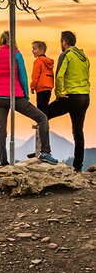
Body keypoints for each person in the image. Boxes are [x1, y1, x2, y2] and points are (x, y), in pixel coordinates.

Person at [0, 31, 58, 166]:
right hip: (15, 96)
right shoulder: (16, 54)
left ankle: (3, 162)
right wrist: (26, 95)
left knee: (1, 129)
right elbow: (23, 77)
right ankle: (45, 152)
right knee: (42, 118)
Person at [47, 31, 90, 172]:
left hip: (71, 97)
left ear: (64, 42)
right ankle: (78, 167)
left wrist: (59, 94)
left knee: (42, 115)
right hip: (84, 97)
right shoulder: (83, 57)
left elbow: (59, 75)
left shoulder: (66, 55)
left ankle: (43, 152)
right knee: (78, 132)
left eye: (61, 42)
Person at [30, 41, 54, 114]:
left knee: (40, 109)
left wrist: (32, 87)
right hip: (49, 88)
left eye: (34, 49)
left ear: (41, 50)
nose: (32, 51)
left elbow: (35, 76)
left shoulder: (38, 61)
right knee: (45, 107)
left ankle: (42, 124)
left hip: (41, 88)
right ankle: (45, 123)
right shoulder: (48, 62)